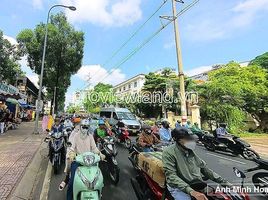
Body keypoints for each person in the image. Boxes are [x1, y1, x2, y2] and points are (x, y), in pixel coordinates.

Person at [163, 127, 231, 200]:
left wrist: (224, 183)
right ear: (177, 140)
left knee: (219, 196)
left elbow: (204, 168)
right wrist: (191, 191)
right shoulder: (169, 152)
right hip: (178, 187)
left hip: (195, 184)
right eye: (187, 139)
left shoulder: (190, 151)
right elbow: (171, 175)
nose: (191, 141)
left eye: (191, 139)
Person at [58, 119, 105, 200]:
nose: (85, 128)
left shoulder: (90, 136)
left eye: (86, 127)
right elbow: (72, 148)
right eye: (83, 127)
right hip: (78, 161)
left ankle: (99, 193)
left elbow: (94, 148)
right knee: (72, 182)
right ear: (80, 127)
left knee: (98, 179)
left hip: (90, 161)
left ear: (88, 128)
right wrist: (72, 154)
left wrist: (100, 154)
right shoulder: (76, 136)